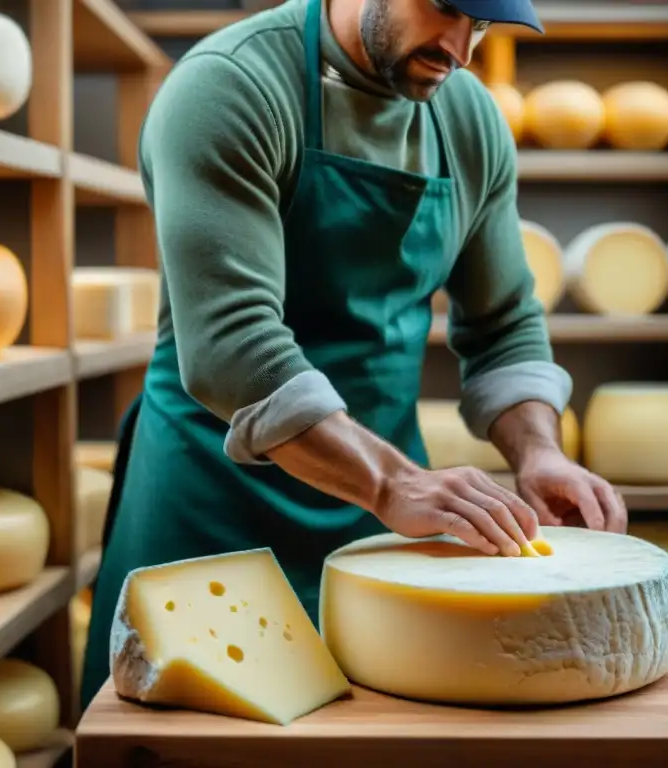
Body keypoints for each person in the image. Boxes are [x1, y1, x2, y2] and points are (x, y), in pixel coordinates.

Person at [80, 0, 629, 710]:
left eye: (485, 24)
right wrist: (392, 484)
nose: (461, 48)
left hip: (383, 517)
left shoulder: (469, 120)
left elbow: (502, 325)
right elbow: (231, 347)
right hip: (212, 508)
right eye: (446, 7)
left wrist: (537, 453)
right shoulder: (229, 86)